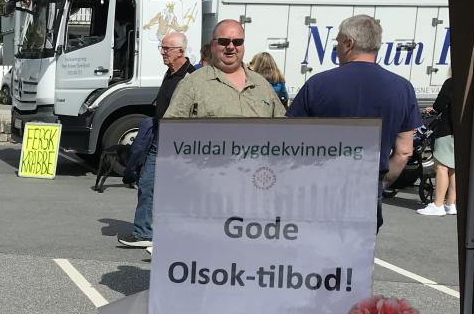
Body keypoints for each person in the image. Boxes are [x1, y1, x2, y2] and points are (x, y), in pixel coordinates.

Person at [286, 15, 421, 231]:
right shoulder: (402, 88)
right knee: (358, 257)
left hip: (319, 188)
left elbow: (290, 139)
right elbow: (404, 151)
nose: (336, 48)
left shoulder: (318, 84)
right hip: (368, 188)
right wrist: (381, 183)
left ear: (349, 43)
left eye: (338, 42)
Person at [117, 31, 194, 249]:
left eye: (166, 49)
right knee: (147, 182)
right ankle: (143, 232)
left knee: (176, 188)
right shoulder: (169, 73)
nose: (162, 52)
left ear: (180, 51)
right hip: (159, 136)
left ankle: (178, 233)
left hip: (178, 142)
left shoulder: (190, 76)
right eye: (162, 48)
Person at [165, 20, 285, 120]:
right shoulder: (191, 84)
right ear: (212, 46)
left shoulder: (262, 85)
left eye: (237, 42)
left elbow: (283, 129)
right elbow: (170, 133)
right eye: (224, 41)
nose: (231, 47)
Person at [419, 75, 455, 216]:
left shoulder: (452, 82)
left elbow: (439, 105)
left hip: (446, 129)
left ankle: (438, 204)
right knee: (453, 168)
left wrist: (432, 109)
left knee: (441, 167)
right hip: (461, 131)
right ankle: (450, 204)